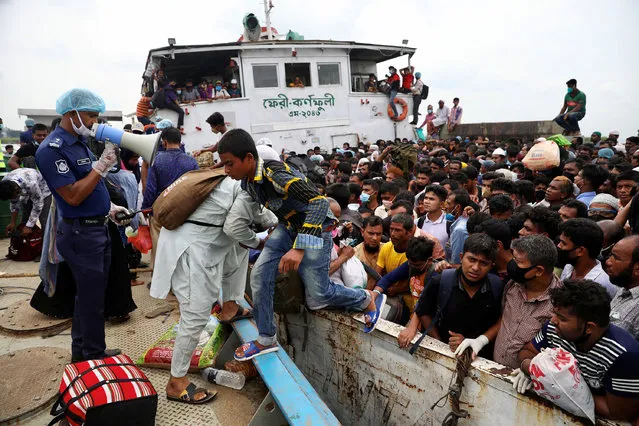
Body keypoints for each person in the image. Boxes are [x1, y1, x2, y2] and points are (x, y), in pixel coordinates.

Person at [217, 129, 381, 360]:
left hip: (315, 228)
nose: (226, 170)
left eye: (229, 163)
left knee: (319, 293)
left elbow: (317, 202)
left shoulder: (277, 174)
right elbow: (275, 208)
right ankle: (266, 339)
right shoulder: (247, 184)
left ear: (249, 158)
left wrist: (298, 247)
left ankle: (366, 298)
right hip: (288, 227)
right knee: (259, 275)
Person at [151, 173, 276, 404]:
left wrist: (271, 224)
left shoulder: (237, 183)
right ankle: (176, 382)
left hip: (201, 242)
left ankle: (230, 306)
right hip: (190, 251)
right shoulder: (249, 191)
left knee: (240, 249)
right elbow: (240, 226)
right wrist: (262, 241)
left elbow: (259, 217)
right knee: (195, 316)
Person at [35, 88, 132, 361]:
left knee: (90, 297)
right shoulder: (51, 149)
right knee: (91, 299)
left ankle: (86, 351)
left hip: (95, 227)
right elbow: (73, 195)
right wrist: (99, 168)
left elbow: (89, 186)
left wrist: (109, 209)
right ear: (71, 113)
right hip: (81, 232)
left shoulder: (78, 142)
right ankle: (92, 355)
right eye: (90, 115)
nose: (93, 121)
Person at [516, 280, 639, 422]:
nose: (553, 320)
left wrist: (561, 387)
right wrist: (529, 367)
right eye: (555, 313)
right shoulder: (554, 329)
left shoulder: (623, 355)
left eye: (561, 318)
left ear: (589, 328)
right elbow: (527, 351)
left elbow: (618, 412)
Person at [398, 234, 502, 360]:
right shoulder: (441, 281)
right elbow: (423, 311)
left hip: (481, 358)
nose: (475, 268)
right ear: (461, 257)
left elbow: (502, 320)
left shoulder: (497, 287)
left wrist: (480, 341)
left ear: (492, 265)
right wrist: (439, 342)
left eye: (483, 263)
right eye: (472, 260)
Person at [493, 235, 561, 368]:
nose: (512, 265)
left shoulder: (558, 303)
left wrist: (530, 371)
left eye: (518, 262)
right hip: (493, 367)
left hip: (525, 379)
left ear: (539, 271)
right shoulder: (513, 285)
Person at [142, 128, 199, 267]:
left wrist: (146, 208)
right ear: (180, 142)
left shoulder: (156, 160)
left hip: (160, 211)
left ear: (164, 142)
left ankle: (159, 284)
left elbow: (150, 189)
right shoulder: (191, 162)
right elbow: (197, 189)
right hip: (184, 212)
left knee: (159, 248)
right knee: (183, 249)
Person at [0, 168, 52, 236]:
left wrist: (29, 226)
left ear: (16, 189)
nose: (13, 199)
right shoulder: (5, 182)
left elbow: (38, 204)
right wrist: (13, 222)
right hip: (25, 188)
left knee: (45, 221)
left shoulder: (31, 184)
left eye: (13, 196)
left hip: (43, 189)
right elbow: (14, 203)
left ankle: (47, 244)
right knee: (25, 219)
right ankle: (28, 244)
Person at [446, 189, 472, 265]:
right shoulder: (460, 222)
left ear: (457, 207)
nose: (446, 206)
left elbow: (456, 260)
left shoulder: (460, 229)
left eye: (448, 203)